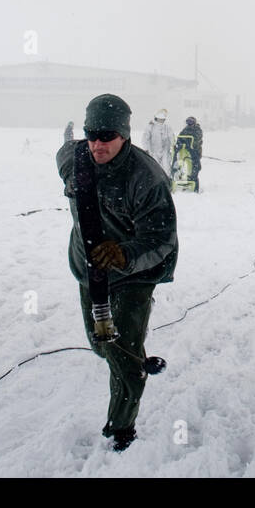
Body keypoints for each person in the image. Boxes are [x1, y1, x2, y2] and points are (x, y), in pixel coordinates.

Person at [56, 94, 178, 452]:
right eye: (91, 134)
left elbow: (162, 239)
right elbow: (62, 152)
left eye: (106, 135)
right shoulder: (72, 160)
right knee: (101, 345)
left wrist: (125, 254)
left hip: (134, 273)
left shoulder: (147, 177)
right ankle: (132, 353)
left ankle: (121, 429)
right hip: (90, 271)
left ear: (124, 134)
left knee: (121, 353)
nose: (97, 143)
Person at [140, 108, 174, 176]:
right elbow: (145, 139)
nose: (161, 121)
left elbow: (171, 137)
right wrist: (146, 149)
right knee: (154, 167)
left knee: (166, 167)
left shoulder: (167, 127)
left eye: (162, 120)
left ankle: (167, 181)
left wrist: (173, 145)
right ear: (156, 118)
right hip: (153, 151)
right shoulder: (150, 127)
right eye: (159, 119)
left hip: (165, 151)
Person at [175, 116, 203, 191]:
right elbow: (179, 137)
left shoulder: (197, 130)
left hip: (195, 152)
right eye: (188, 122)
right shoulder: (185, 129)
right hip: (185, 152)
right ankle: (183, 179)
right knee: (184, 166)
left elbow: (197, 139)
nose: (189, 124)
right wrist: (180, 143)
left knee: (194, 167)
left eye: (190, 122)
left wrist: (189, 144)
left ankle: (194, 184)